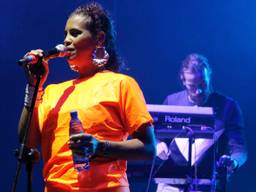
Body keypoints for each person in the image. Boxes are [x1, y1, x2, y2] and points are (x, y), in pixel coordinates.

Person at [18, 3, 156, 192]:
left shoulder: (121, 84)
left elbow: (148, 148)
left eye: (75, 33)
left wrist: (100, 147)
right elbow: (28, 143)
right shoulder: (52, 92)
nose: (66, 40)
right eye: (65, 34)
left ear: (99, 38)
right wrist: (34, 86)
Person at [155, 53, 247, 192]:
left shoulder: (228, 106)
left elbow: (239, 149)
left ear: (209, 77)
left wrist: (233, 162)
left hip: (208, 185)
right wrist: (157, 145)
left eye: (203, 84)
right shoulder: (171, 101)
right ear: (183, 80)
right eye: (192, 86)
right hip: (170, 184)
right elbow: (155, 137)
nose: (198, 91)